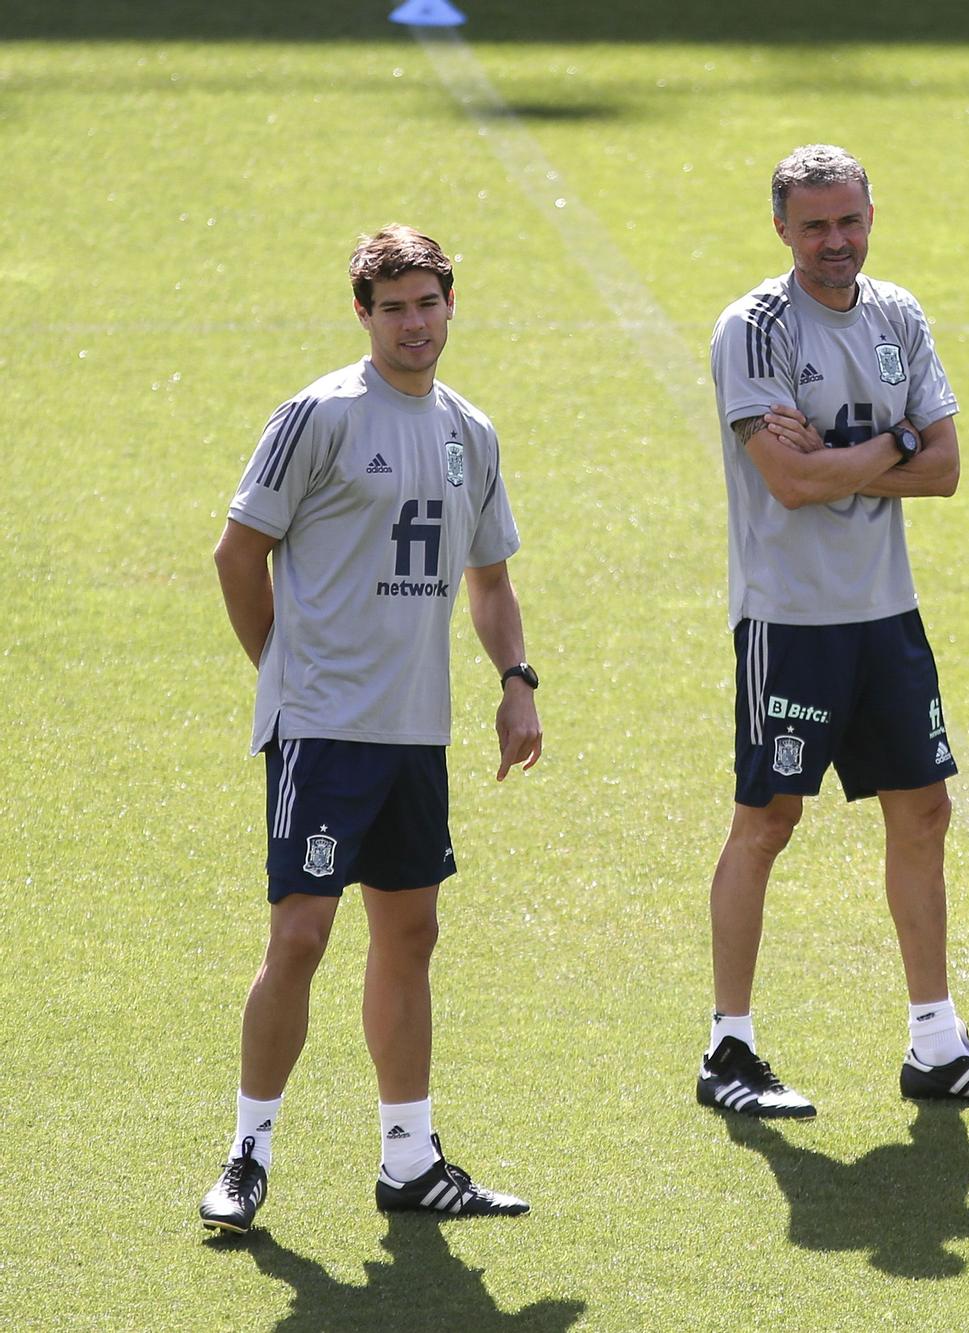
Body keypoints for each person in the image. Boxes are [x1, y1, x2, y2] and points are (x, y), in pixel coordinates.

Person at [199, 225, 543, 1233]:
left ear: (449, 305)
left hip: (412, 732)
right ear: (363, 313)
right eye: (392, 307)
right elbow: (236, 554)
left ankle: (410, 1156)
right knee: (301, 934)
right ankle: (247, 1154)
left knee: (411, 931)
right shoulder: (320, 415)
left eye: (427, 303)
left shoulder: (468, 431)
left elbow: (490, 580)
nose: (413, 324)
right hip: (322, 728)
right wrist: (289, 677)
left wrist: (515, 682)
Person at [699, 144, 969, 1118]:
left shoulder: (897, 314)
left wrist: (864, 450)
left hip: (884, 615)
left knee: (924, 811)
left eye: (848, 220)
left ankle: (935, 1044)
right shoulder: (755, 328)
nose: (834, 242)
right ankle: (728, 1049)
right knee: (768, 820)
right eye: (813, 225)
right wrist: (890, 444)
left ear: (869, 215)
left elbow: (942, 467)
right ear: (781, 229)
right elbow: (790, 481)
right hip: (792, 620)